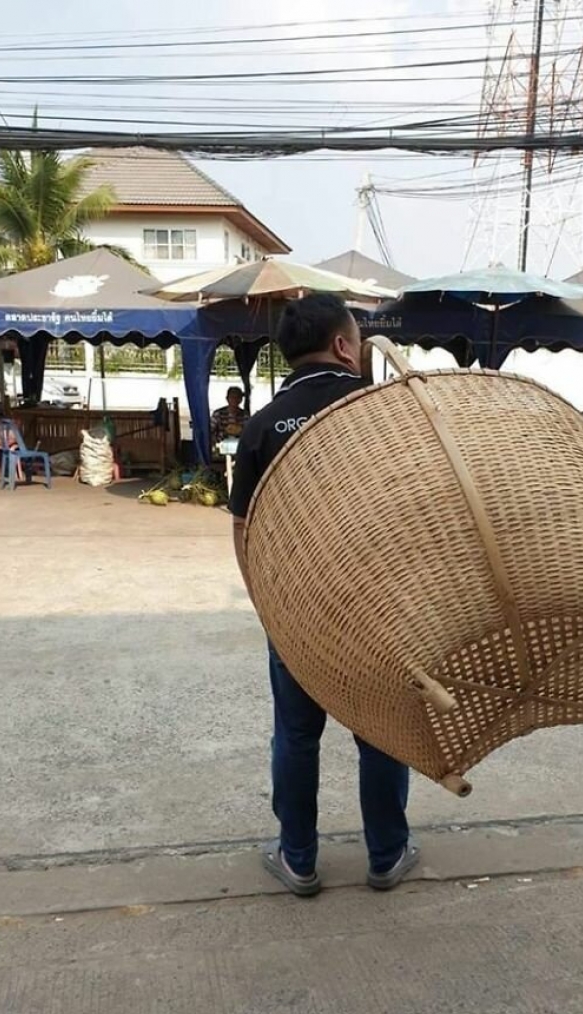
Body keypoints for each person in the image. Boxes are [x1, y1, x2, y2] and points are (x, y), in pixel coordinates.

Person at [229, 293, 418, 897]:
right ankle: (387, 855)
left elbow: (245, 530)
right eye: (357, 339)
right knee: (384, 729)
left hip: (297, 611)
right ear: (343, 345)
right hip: (379, 609)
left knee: (296, 735)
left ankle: (298, 859)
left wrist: (271, 607)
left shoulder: (261, 425)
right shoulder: (383, 414)